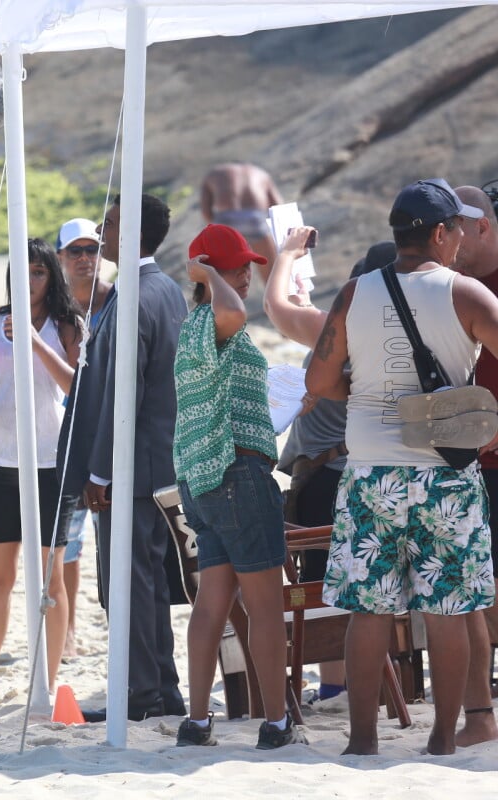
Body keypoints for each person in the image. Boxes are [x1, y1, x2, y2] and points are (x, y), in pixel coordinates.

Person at [306, 179, 496, 756]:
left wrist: (366, 387)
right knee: (447, 608)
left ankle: (362, 739)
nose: (461, 240)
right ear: (440, 233)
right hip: (445, 474)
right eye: (457, 230)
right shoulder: (467, 295)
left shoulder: (353, 293)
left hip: (370, 473)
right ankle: (441, 738)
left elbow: (318, 382)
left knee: (369, 608)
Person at [57, 193, 188, 722]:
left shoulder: (137, 293)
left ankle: (140, 693)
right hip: (157, 462)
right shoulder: (166, 289)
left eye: (108, 224)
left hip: (134, 468)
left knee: (130, 586)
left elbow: (122, 391)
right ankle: (161, 688)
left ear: (130, 230)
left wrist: (99, 470)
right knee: (148, 582)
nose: (102, 232)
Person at [172, 223, 302, 750]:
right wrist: (206, 273)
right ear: (208, 272)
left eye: (246, 265)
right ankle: (274, 723)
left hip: (205, 481)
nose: (245, 273)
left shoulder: (198, 327)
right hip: (237, 478)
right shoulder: (210, 320)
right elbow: (230, 312)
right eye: (235, 266)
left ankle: (198, 721)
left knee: (213, 603)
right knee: (265, 607)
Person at [264, 235, 396, 704]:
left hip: (330, 475)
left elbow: (277, 309)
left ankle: (338, 685)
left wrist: (286, 257)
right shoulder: (393, 332)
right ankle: (362, 683)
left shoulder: (345, 329)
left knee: (326, 585)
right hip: (347, 470)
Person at [0, 238, 82, 693]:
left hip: (51, 461)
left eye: (39, 272)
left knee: (49, 576)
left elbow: (77, 386)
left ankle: (48, 684)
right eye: (23, 271)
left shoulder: (67, 325)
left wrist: (36, 342)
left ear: (51, 275)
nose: (31, 280)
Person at [446, 184, 498, 748]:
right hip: (468, 467)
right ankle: (480, 713)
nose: (450, 242)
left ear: (479, 227)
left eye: (456, 229)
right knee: (476, 592)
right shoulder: (453, 288)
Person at [55, 217, 112, 659]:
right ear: (60, 257)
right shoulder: (52, 312)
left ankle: (114, 625)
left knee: (111, 538)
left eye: (91, 249)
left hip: (106, 436)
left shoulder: (116, 303)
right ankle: (69, 627)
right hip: (65, 437)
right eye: (74, 251)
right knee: (67, 544)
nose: (84, 258)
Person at [200, 163, 284, 282]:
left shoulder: (214, 173)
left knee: (225, 281)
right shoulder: (260, 173)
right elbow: (278, 205)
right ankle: (273, 297)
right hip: (254, 219)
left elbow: (205, 210)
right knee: (272, 278)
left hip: (225, 220)